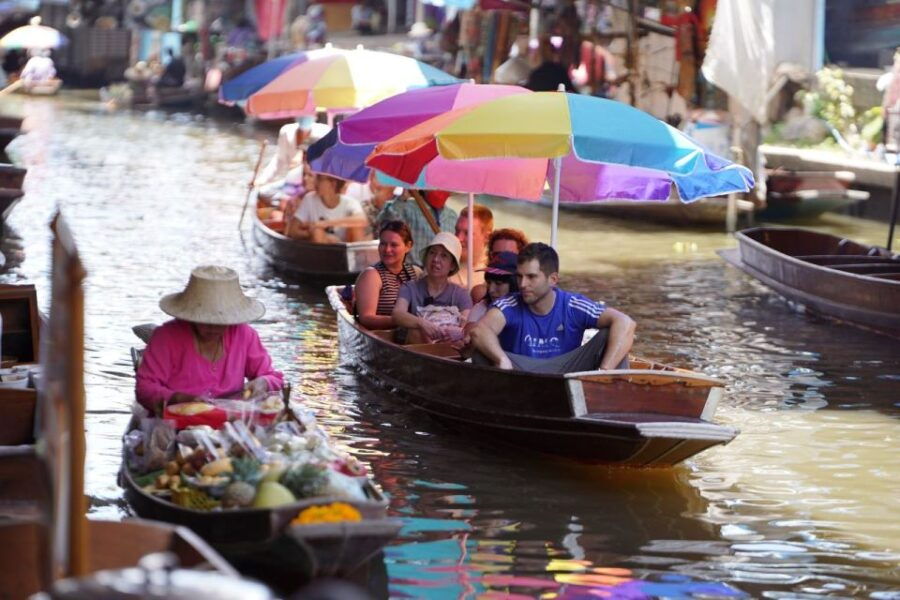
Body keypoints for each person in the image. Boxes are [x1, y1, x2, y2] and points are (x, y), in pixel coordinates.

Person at [135, 265, 284, 413]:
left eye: (221, 322)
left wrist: (263, 382)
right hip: (177, 420)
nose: (213, 328)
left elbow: (274, 378)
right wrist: (178, 398)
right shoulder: (167, 337)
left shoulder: (245, 335)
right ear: (192, 315)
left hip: (230, 420)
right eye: (206, 321)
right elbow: (145, 389)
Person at [470, 243, 635, 373]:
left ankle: (609, 404)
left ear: (553, 279)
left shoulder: (572, 304)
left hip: (567, 372)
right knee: (480, 351)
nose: (522, 284)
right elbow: (480, 330)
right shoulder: (510, 304)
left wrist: (604, 371)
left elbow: (626, 323)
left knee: (612, 334)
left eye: (531, 277)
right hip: (520, 373)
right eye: (519, 277)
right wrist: (501, 360)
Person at [392, 232, 472, 343]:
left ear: (452, 265)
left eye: (444, 255)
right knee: (415, 332)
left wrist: (455, 331)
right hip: (416, 351)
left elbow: (467, 323)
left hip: (449, 350)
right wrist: (422, 323)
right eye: (432, 253)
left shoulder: (461, 294)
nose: (435, 259)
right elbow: (397, 314)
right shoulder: (410, 287)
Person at [354, 220, 420, 329]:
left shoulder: (416, 273)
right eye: (383, 244)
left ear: (408, 246)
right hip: (383, 336)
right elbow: (366, 318)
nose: (387, 250)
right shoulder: (372, 275)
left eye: (394, 245)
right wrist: (406, 321)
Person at [377, 189, 458, 267]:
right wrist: (402, 199)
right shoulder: (407, 207)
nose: (440, 188)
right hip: (413, 271)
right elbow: (385, 222)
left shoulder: (452, 216)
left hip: (440, 273)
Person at [287, 173, 368, 243]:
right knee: (317, 232)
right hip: (318, 251)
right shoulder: (309, 199)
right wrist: (315, 233)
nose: (315, 182)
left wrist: (325, 223)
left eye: (319, 178)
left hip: (344, 251)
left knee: (357, 228)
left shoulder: (349, 202)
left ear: (333, 184)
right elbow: (292, 231)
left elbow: (362, 220)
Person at [255, 116, 320, 202]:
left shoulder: (323, 131)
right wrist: (261, 180)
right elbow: (279, 160)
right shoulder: (287, 131)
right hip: (294, 179)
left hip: (312, 183)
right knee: (263, 192)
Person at [466, 251, 517, 326]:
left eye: (498, 283)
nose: (491, 290)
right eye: (489, 282)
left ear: (515, 284)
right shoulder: (481, 307)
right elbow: (469, 333)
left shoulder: (529, 311)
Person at [345, 170, 401, 236]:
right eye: (381, 177)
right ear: (371, 176)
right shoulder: (354, 190)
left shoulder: (399, 196)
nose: (384, 183)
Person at [452, 203, 493, 290]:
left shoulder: (494, 275)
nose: (458, 238)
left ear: (487, 237)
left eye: (467, 233)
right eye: (457, 230)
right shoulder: (440, 266)